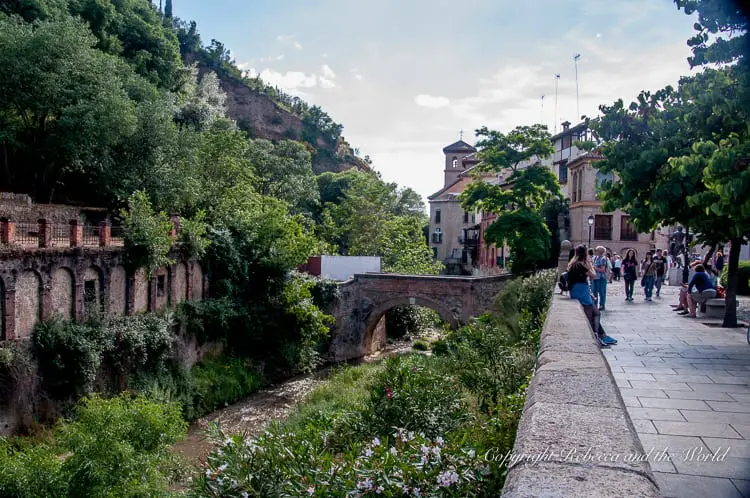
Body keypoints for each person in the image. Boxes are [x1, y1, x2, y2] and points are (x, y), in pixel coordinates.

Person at [567, 245, 617, 346]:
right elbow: (593, 275)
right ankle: (595, 337)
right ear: (584, 254)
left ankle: (601, 335)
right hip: (581, 291)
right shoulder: (580, 265)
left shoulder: (573, 264)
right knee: (590, 314)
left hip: (579, 290)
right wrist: (590, 264)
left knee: (596, 313)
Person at [592, 246, 608, 310]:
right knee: (594, 291)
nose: (595, 251)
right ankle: (595, 304)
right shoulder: (596, 258)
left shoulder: (603, 259)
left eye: (596, 250)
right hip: (595, 277)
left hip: (601, 278)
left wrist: (595, 268)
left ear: (600, 251)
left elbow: (603, 269)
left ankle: (602, 305)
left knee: (601, 292)